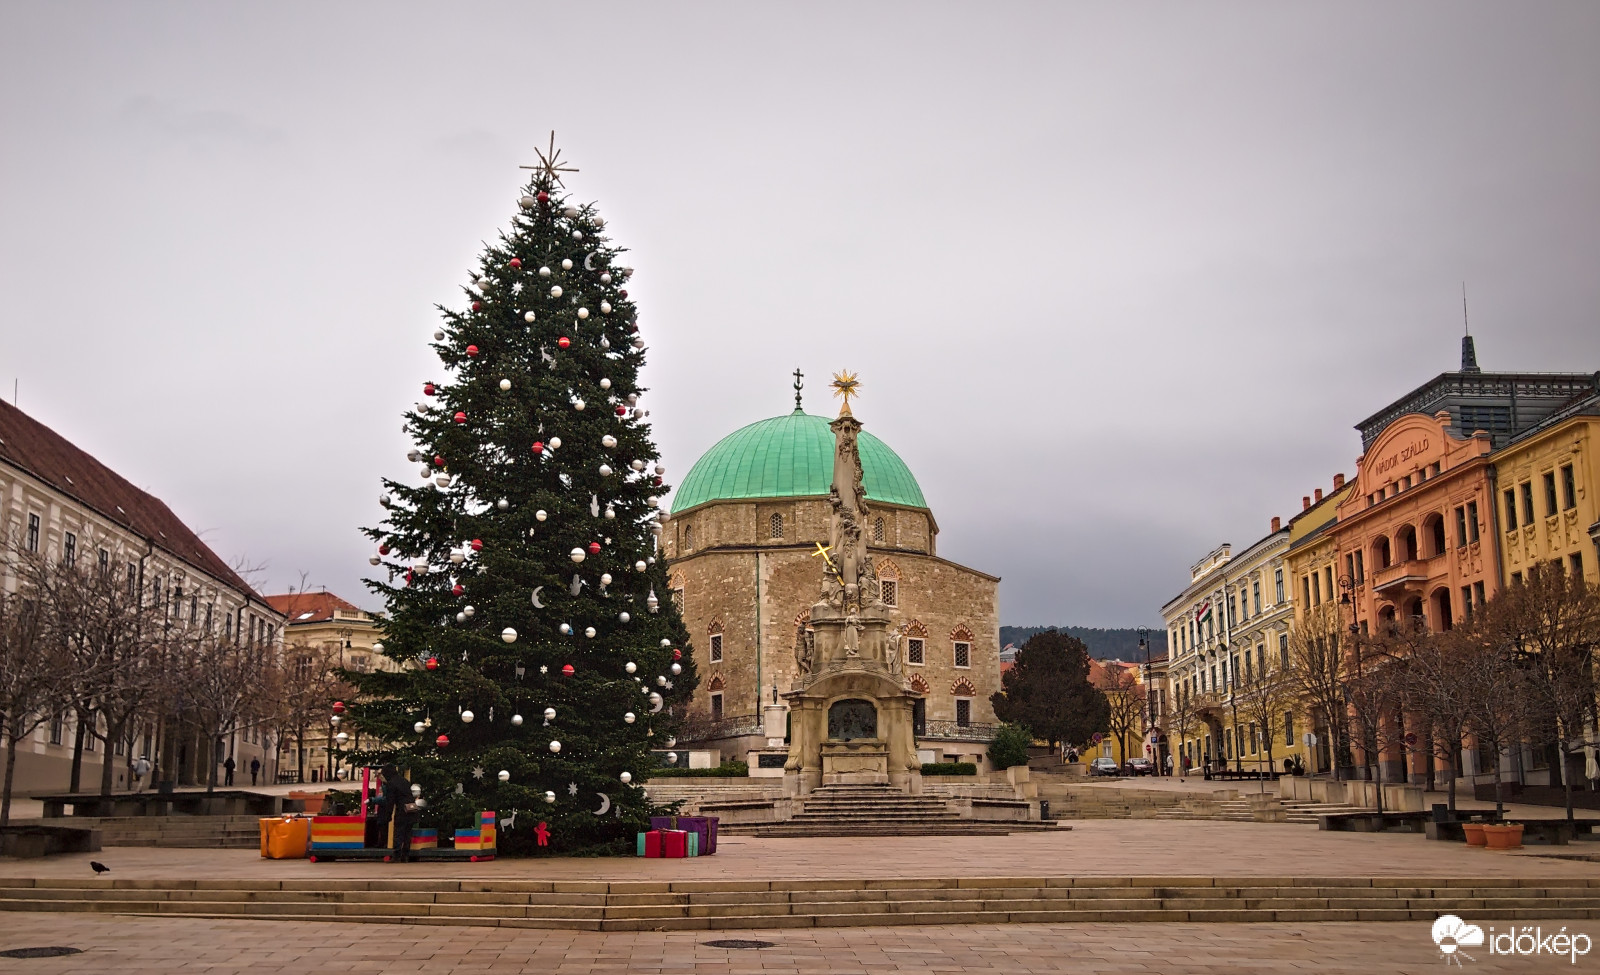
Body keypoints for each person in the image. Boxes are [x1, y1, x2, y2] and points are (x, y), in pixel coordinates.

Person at [380, 765, 420, 862]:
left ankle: (397, 855)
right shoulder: (404, 781)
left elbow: (390, 801)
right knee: (407, 834)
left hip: (402, 810)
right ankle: (405, 855)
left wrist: (388, 815)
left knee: (399, 832)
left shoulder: (391, 783)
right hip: (411, 809)